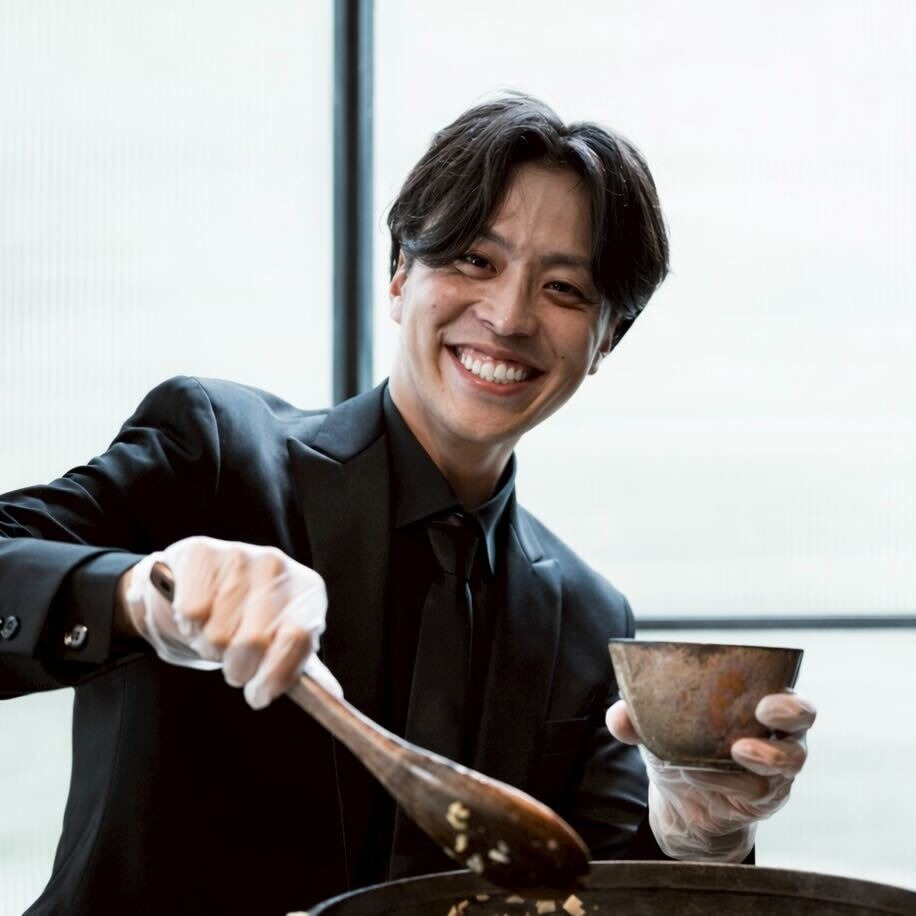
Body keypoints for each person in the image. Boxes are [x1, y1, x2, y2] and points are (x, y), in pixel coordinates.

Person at [0, 95, 815, 915]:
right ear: (399, 276)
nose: (508, 317)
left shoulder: (586, 619)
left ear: (605, 339)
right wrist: (139, 595)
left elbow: (593, 893)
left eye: (564, 288)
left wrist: (701, 838)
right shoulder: (216, 452)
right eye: (474, 260)